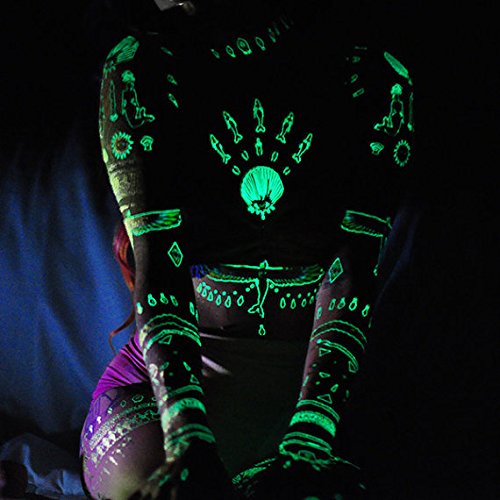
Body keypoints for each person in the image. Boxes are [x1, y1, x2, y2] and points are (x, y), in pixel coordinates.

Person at [79, 0, 415, 498]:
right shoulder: (139, 70)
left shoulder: (371, 76)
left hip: (311, 394)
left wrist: (309, 439)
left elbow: (353, 271)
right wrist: (186, 441)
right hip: (164, 399)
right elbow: (161, 268)